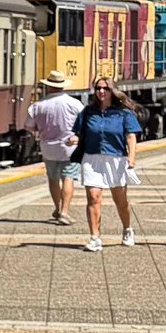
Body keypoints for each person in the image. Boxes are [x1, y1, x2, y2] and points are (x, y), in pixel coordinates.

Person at [75, 77, 141, 252]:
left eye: (105, 88)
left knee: (120, 200)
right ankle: (95, 237)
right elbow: (79, 133)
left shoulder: (123, 113)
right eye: (98, 88)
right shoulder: (88, 112)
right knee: (93, 198)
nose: (101, 91)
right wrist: (71, 140)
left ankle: (127, 228)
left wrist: (132, 159)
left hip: (116, 159)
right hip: (92, 159)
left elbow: (131, 136)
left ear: (113, 91)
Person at [24, 72, 84, 225]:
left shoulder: (37, 106)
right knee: (68, 178)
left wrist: (40, 132)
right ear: (63, 85)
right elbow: (86, 123)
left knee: (53, 179)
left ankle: (57, 208)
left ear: (48, 86)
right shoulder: (74, 103)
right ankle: (64, 212)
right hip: (69, 147)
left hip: (47, 148)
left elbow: (29, 126)